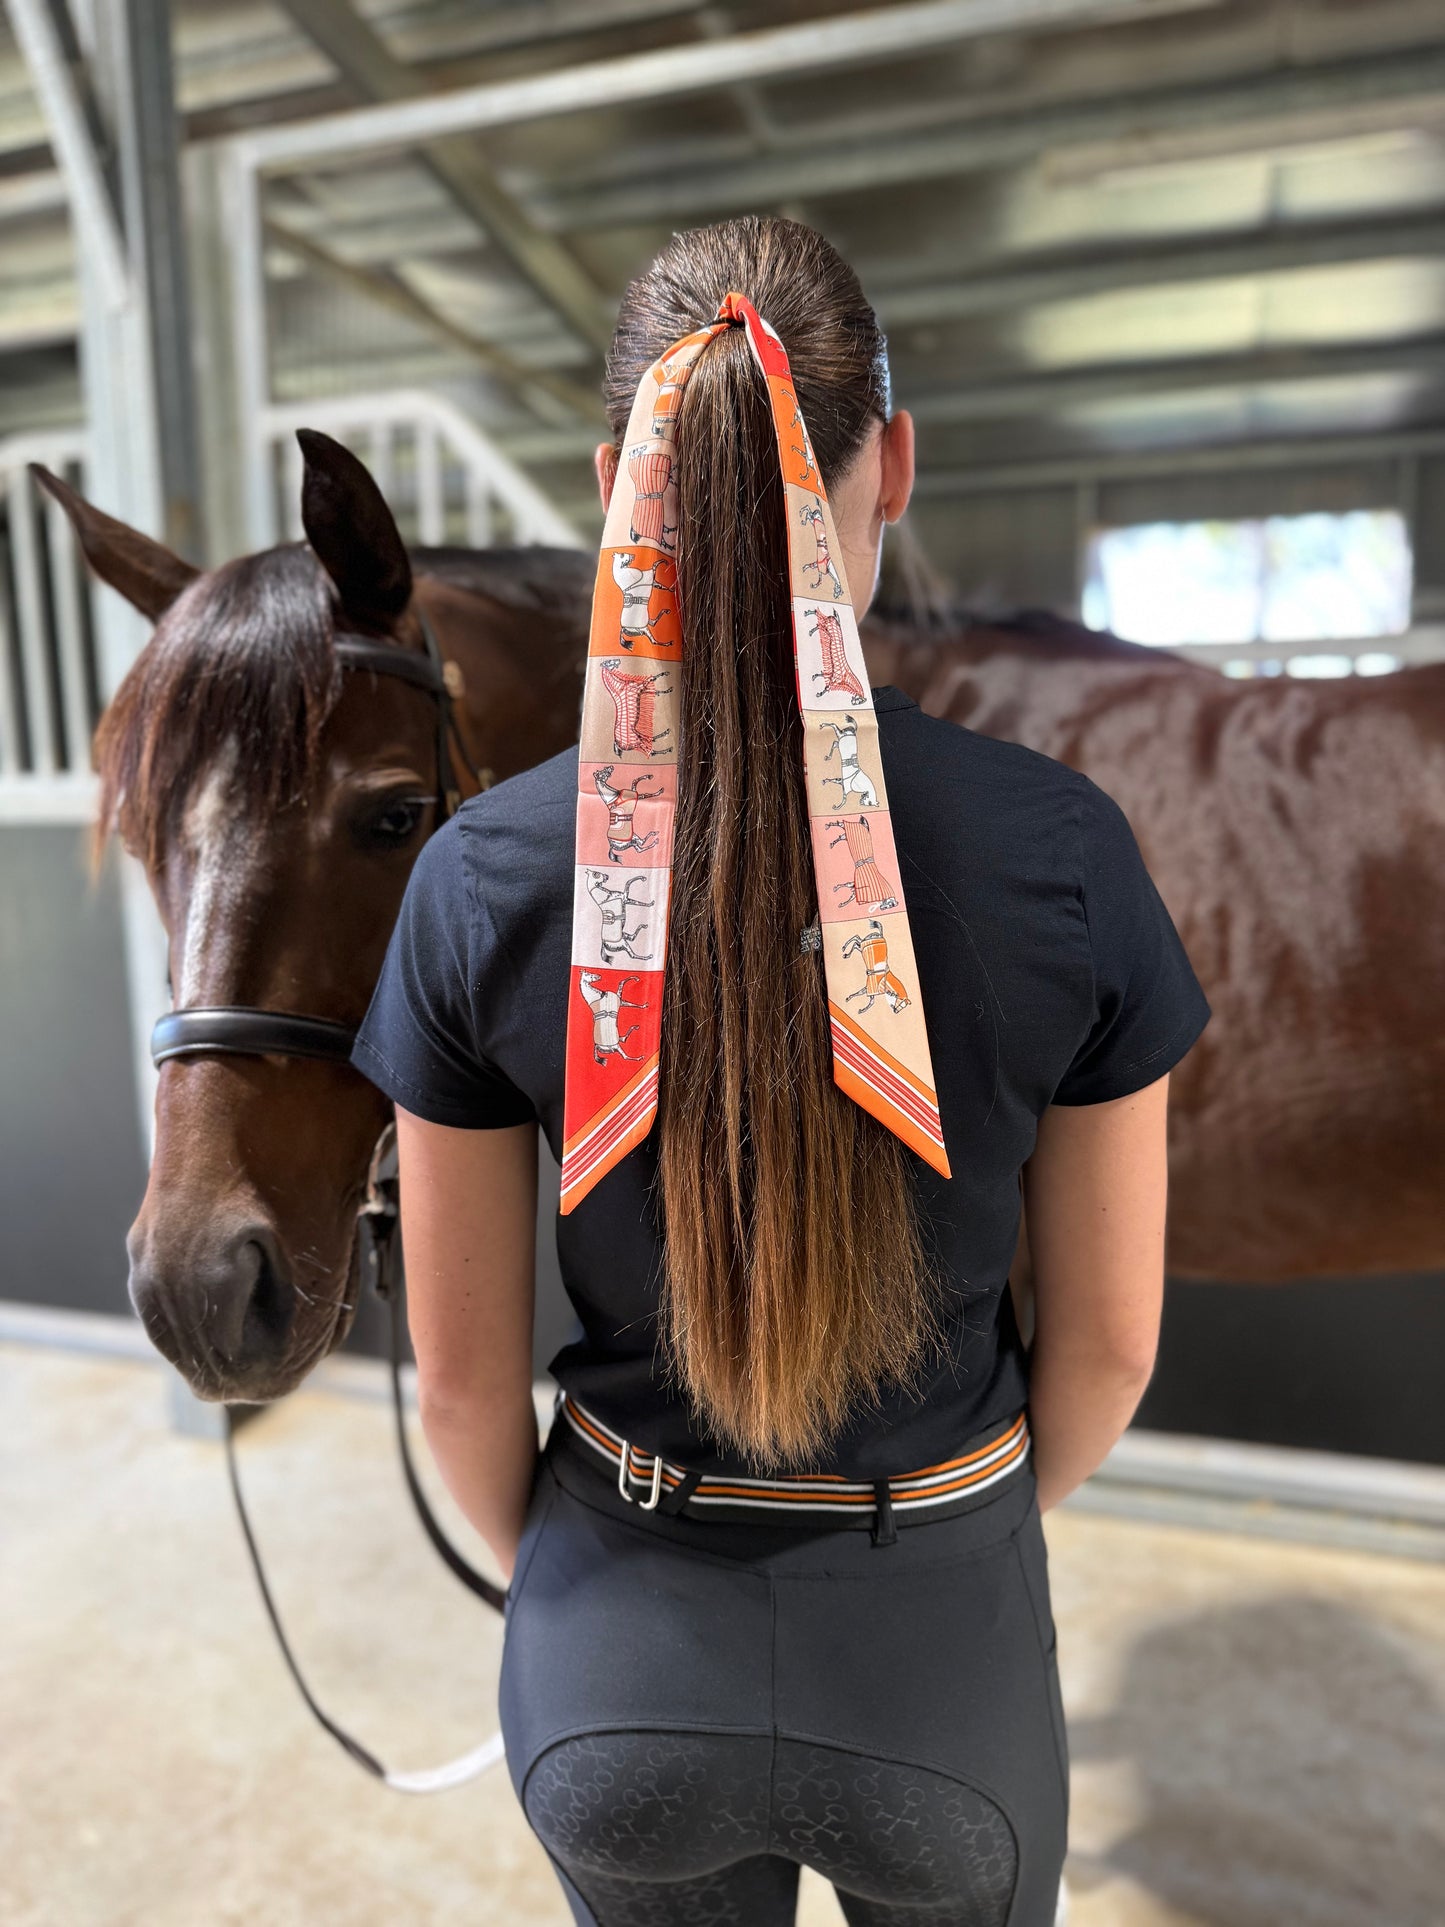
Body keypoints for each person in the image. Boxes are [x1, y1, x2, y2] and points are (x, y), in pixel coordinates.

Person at [351, 215, 1210, 1927]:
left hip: (610, 1651)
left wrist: (601, 1599)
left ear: (617, 479)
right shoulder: (1064, 853)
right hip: (941, 1668)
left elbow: (457, 1394)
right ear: (891, 463)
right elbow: (1109, 1354)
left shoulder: (483, 876)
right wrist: (947, 1537)